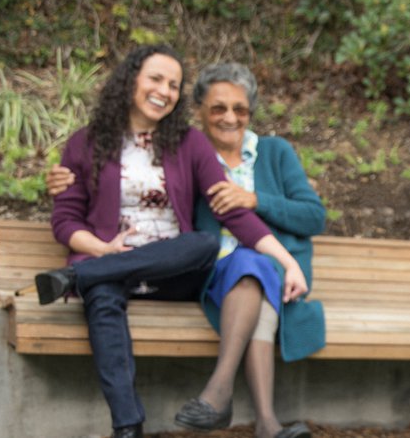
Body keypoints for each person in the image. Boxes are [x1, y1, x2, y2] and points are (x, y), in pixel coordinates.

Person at [37, 46, 308, 438]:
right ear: (131, 80)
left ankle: (82, 276)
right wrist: (101, 250)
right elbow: (64, 220)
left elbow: (230, 210)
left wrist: (288, 262)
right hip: (112, 263)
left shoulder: (189, 143)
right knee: (103, 295)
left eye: (174, 85)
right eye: (156, 79)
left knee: (201, 244)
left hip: (175, 270)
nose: (165, 90)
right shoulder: (86, 142)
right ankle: (128, 427)